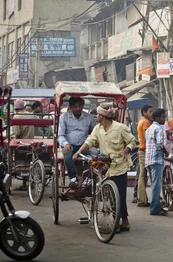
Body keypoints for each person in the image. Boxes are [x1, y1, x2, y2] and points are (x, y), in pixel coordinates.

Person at [74, 104, 136, 232]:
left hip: (119, 166)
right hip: (105, 167)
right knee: (111, 195)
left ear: (102, 116)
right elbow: (89, 141)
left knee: (119, 195)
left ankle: (117, 223)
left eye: (97, 115)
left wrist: (125, 150)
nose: (96, 117)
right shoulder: (98, 128)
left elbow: (132, 141)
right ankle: (124, 221)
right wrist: (78, 152)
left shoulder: (120, 128)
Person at [57, 97, 98, 189]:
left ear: (82, 106)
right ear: (70, 107)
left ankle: (88, 177)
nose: (78, 108)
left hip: (84, 146)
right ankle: (73, 179)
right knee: (67, 154)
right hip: (70, 145)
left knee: (97, 154)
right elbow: (60, 135)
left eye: (79, 106)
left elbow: (96, 131)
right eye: (75, 106)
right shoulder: (64, 117)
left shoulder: (89, 118)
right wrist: (65, 144)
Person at [145, 109, 169, 216]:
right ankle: (154, 208)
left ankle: (156, 206)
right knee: (156, 185)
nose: (164, 119)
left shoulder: (149, 128)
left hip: (148, 160)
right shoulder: (159, 128)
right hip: (156, 159)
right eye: (163, 117)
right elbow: (159, 144)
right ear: (157, 118)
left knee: (154, 185)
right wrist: (166, 152)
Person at [134, 104, 153, 207]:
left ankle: (142, 198)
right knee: (143, 175)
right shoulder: (145, 122)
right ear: (144, 112)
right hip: (144, 150)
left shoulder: (141, 121)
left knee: (142, 175)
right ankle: (141, 199)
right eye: (150, 111)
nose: (152, 113)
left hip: (142, 149)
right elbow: (147, 137)